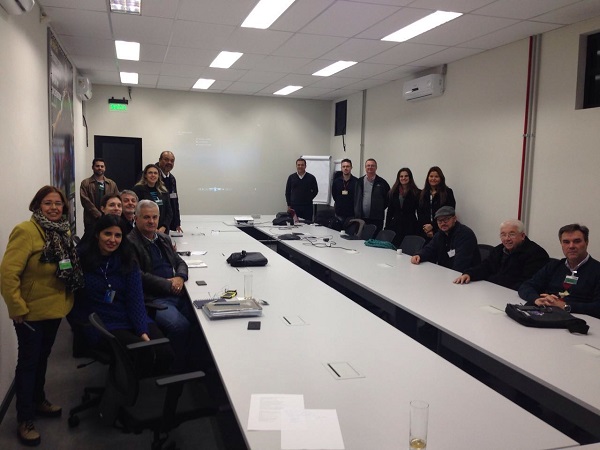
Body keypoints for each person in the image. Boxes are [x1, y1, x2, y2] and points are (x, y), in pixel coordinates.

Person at [1, 186, 84, 446]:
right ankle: (24, 419)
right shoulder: (26, 231)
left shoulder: (62, 230)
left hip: (55, 309)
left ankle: (38, 400)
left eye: (58, 204)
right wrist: (17, 308)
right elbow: (7, 274)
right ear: (37, 205)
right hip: (31, 313)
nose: (54, 208)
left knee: (42, 359)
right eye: (48, 203)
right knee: (28, 364)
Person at [70, 215, 172, 374]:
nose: (112, 240)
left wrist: (142, 331)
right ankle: (123, 385)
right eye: (107, 234)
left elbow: (135, 299)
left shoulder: (127, 260)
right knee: (140, 351)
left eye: (118, 235)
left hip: (128, 315)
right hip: (101, 323)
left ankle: (130, 379)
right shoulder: (82, 260)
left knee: (164, 350)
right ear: (97, 234)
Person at [127, 200, 204, 371]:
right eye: (146, 217)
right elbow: (137, 276)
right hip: (152, 299)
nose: (151, 221)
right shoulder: (129, 243)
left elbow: (180, 262)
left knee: (201, 320)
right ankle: (174, 368)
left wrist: (180, 277)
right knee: (180, 326)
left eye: (155, 217)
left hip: (175, 292)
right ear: (136, 218)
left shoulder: (163, 238)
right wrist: (169, 284)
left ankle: (194, 362)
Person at [518, 224, 600, 318]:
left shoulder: (597, 270)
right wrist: (537, 299)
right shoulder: (554, 266)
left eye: (577, 241)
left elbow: (598, 307)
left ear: (586, 242)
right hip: (548, 316)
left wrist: (566, 306)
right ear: (561, 244)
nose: (571, 246)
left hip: (582, 320)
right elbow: (526, 286)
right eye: (566, 242)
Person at [454, 219, 549, 290]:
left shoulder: (536, 254)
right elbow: (486, 266)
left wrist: (492, 281)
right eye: (503, 235)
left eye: (512, 234)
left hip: (515, 297)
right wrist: (469, 274)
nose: (507, 239)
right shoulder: (499, 249)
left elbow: (526, 283)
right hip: (495, 291)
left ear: (522, 236)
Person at [410, 206, 480, 272]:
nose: (443, 223)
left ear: (454, 219)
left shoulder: (465, 235)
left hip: (466, 276)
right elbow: (429, 249)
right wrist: (419, 255)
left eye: (446, 220)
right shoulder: (440, 234)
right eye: (439, 221)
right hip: (446, 273)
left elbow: (461, 264)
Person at [80, 158, 119, 232]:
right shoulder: (85, 183)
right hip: (91, 219)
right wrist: (98, 214)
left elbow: (117, 199)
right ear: (93, 167)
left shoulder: (112, 184)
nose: (100, 168)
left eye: (102, 166)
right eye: (97, 166)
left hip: (108, 219)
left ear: (105, 168)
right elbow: (85, 201)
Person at [384, 168, 421, 247]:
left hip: (410, 225)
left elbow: (419, 212)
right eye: (401, 176)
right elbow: (390, 211)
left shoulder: (417, 192)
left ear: (410, 177)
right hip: (395, 226)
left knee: (408, 249)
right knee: (393, 248)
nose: (403, 178)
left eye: (406, 176)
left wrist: (419, 228)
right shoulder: (393, 192)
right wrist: (387, 227)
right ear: (398, 178)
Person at [132, 164, 173, 234]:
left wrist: (164, 227)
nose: (153, 175)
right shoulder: (137, 190)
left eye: (155, 173)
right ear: (145, 175)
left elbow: (169, 212)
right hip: (145, 230)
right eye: (150, 173)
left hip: (162, 231)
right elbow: (135, 211)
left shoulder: (164, 191)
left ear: (158, 176)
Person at [417, 166, 455, 240]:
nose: (433, 179)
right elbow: (420, 213)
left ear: (441, 178)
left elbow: (449, 212)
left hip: (442, 229)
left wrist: (433, 226)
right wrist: (427, 229)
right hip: (425, 231)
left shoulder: (447, 192)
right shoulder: (422, 194)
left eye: (436, 176)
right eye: (431, 176)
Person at [354, 158, 390, 233]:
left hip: (376, 219)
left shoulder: (382, 183)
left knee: (374, 238)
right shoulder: (359, 181)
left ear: (376, 167)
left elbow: (388, 199)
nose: (370, 167)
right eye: (368, 165)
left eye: (372, 165)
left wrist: (379, 208)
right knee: (360, 238)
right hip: (361, 218)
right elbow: (355, 197)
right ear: (365, 167)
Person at [156, 151, 182, 233]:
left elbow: (174, 201)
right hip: (154, 223)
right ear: (160, 160)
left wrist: (177, 223)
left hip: (165, 224)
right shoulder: (152, 176)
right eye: (166, 159)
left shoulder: (172, 179)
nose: (169, 163)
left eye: (172, 161)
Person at [331, 158, 357, 222]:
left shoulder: (356, 181)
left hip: (352, 214)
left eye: (347, 166)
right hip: (339, 213)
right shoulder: (336, 182)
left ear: (351, 168)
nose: (345, 168)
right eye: (344, 166)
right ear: (341, 168)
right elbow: (334, 195)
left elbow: (358, 197)